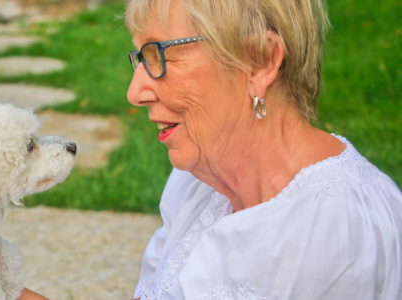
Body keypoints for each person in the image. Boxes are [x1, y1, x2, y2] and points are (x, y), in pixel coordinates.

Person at [125, 0, 402, 299]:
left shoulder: (328, 234)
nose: (134, 92)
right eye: (141, 57)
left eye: (159, 55)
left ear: (259, 61)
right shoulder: (199, 183)